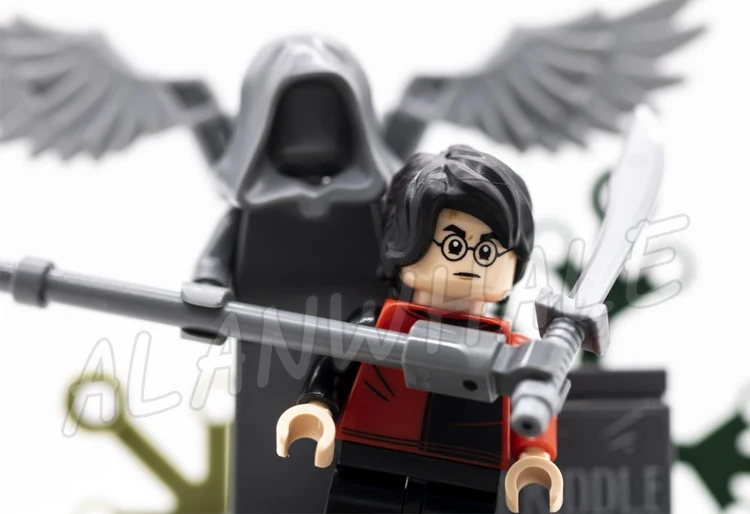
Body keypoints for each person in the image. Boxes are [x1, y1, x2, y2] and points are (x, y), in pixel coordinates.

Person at [276, 145, 562, 513]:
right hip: (370, 461)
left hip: (467, 476)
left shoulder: (512, 349)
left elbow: (533, 402)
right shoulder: (378, 324)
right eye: (454, 245)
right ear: (404, 242)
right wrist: (317, 408)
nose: (470, 262)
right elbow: (335, 366)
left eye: (487, 251)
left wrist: (534, 456)